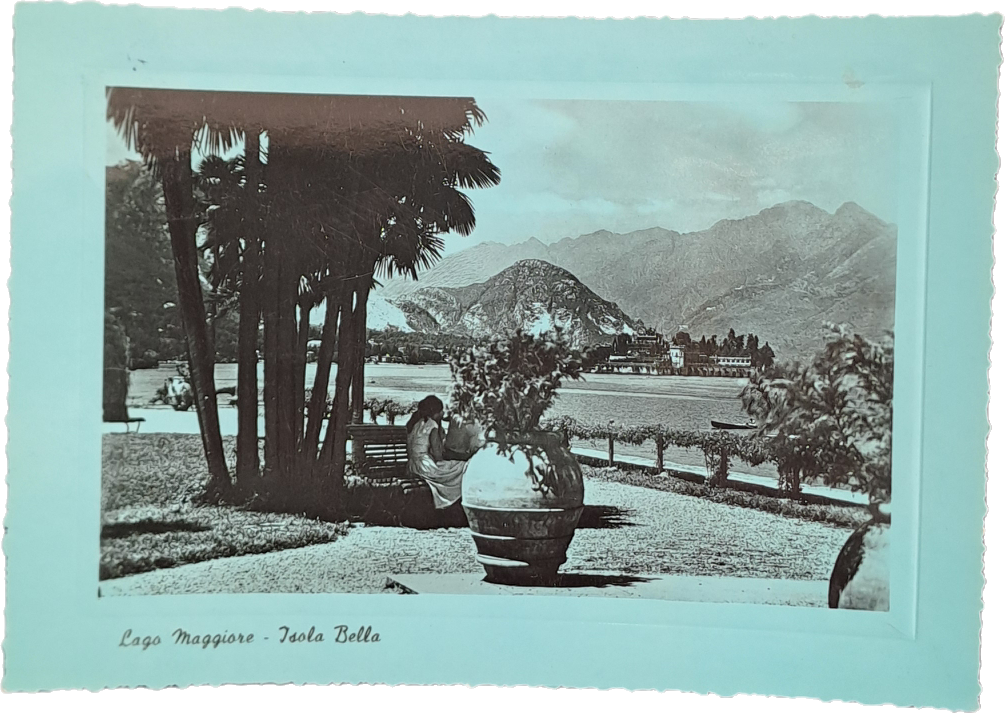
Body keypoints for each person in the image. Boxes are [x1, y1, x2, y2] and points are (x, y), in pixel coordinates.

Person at [405, 396, 468, 518]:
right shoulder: (432, 424)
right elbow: (438, 455)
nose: (443, 413)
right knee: (462, 467)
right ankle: (455, 505)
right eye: (441, 411)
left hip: (413, 465)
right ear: (434, 412)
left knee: (454, 466)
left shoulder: (415, 422)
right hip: (425, 466)